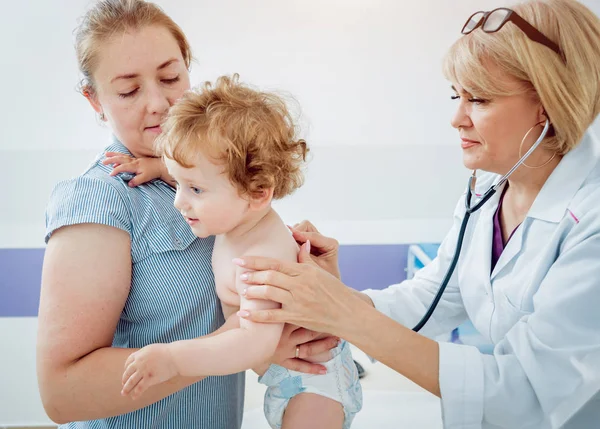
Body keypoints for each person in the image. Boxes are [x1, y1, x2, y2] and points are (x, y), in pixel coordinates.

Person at [232, 1, 600, 428]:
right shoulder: (489, 189)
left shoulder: (590, 222)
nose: (456, 119)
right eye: (456, 96)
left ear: (548, 105)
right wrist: (333, 296)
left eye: (478, 99)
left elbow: (522, 393)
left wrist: (344, 315)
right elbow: (434, 296)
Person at [37, 1, 337, 427]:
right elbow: (62, 395)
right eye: (128, 90)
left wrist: (310, 285)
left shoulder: (211, 177)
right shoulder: (99, 200)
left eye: (171, 77)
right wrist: (232, 348)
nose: (158, 103)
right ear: (95, 100)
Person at [118, 75, 362, 429]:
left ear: (258, 193)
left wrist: (174, 358)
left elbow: (254, 344)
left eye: (194, 189)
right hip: (288, 379)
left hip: (315, 385)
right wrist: (160, 168)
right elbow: (210, 175)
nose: (179, 201)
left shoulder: (262, 259)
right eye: (177, 181)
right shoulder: (238, 211)